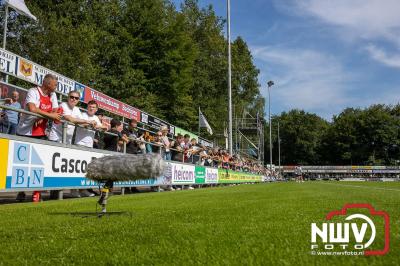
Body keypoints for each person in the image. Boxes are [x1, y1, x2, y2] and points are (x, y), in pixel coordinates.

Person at [16, 74, 61, 139]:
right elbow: (32, 109)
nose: (56, 87)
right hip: (25, 132)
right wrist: (49, 115)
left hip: (41, 132)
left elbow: (55, 110)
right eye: (55, 85)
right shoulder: (33, 91)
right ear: (48, 84)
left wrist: (42, 117)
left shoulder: (53, 94)